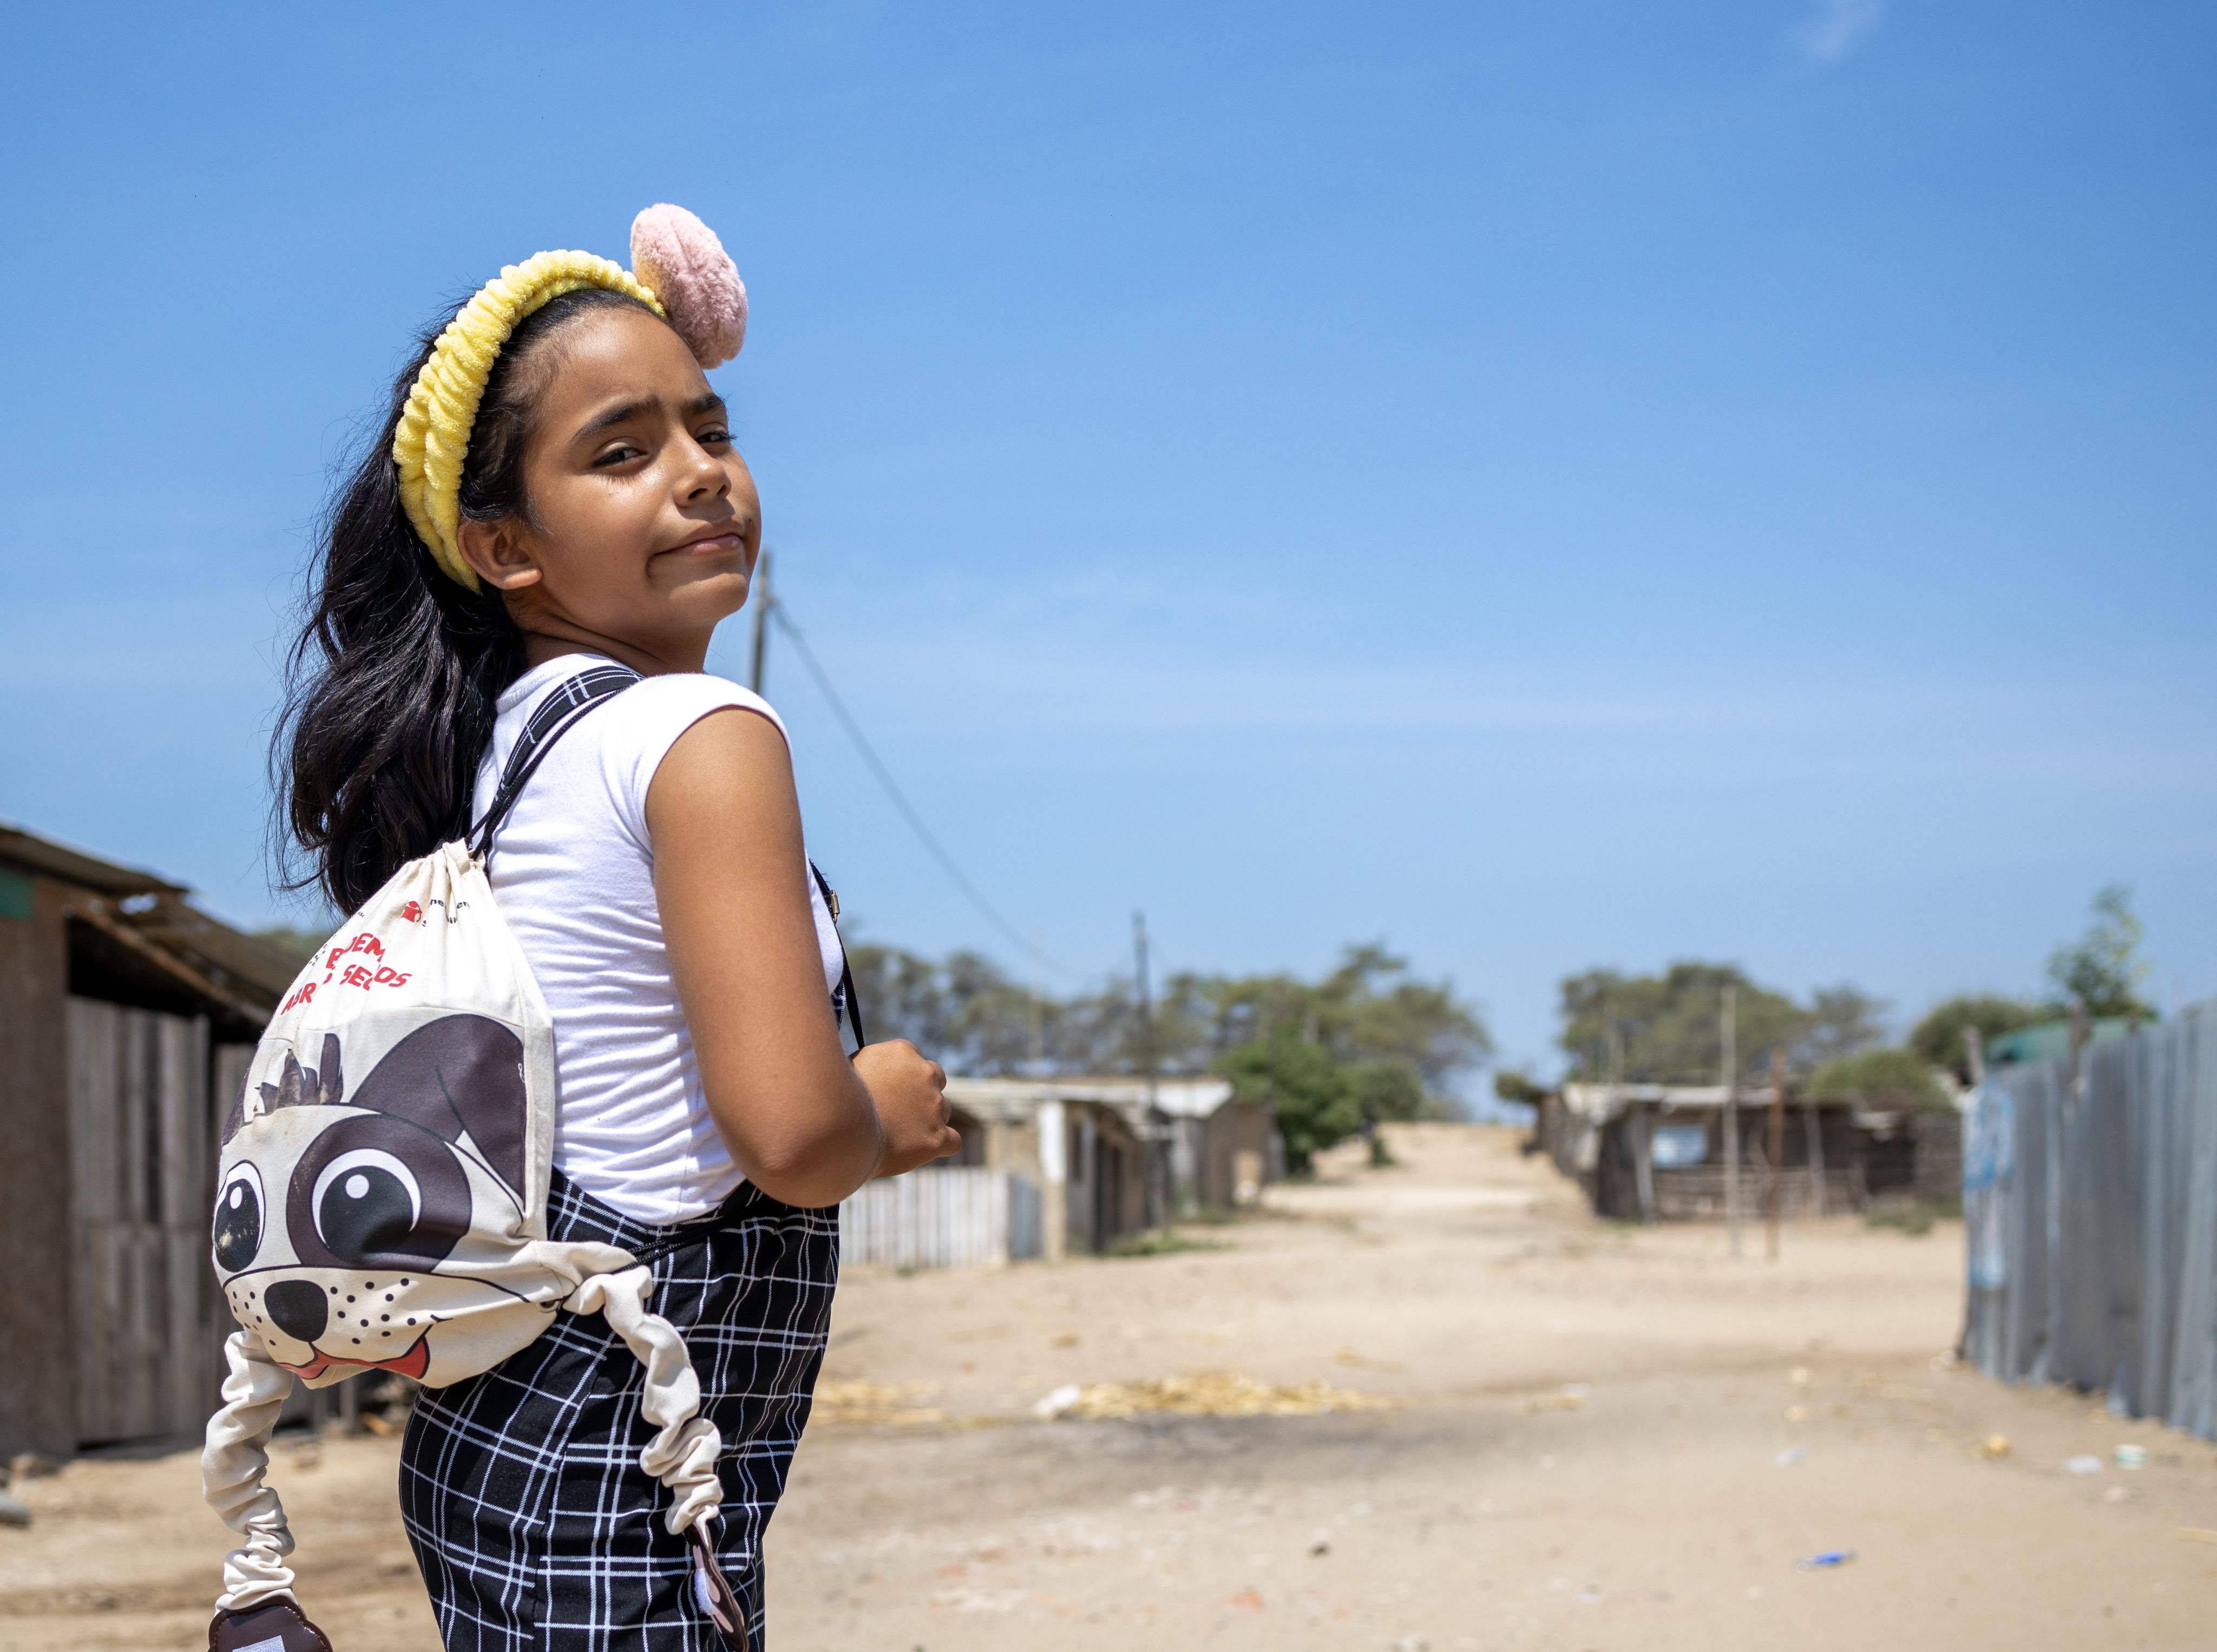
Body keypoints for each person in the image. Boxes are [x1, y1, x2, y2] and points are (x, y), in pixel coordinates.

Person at [274, 208, 959, 1649]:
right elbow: (787, 1134)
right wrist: (880, 1113)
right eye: (623, 449)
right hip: (625, 1451)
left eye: (709, 428)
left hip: (501, 1433)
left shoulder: (511, 745)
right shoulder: (702, 732)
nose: (702, 474)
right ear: (503, 546)